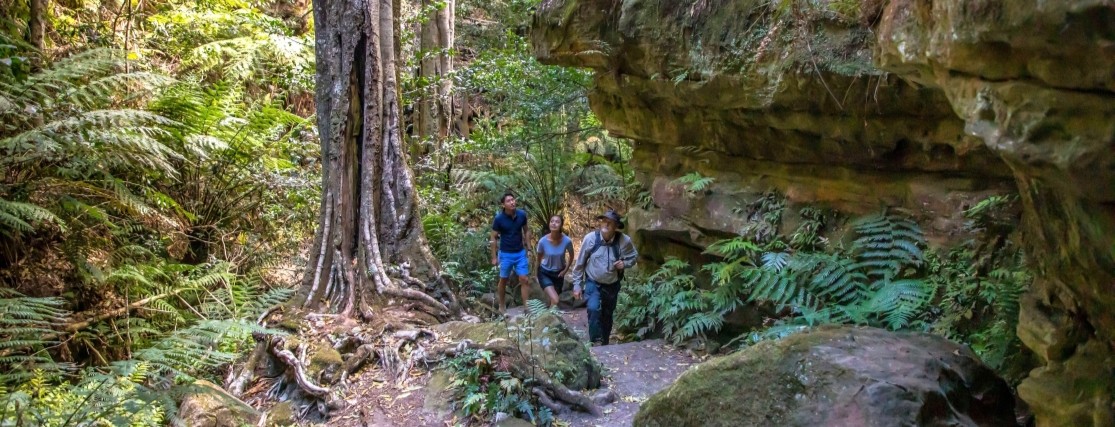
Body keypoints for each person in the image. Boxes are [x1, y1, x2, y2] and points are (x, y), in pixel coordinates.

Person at [570, 209, 638, 346]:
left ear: (616, 226)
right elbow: (580, 263)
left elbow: (634, 257)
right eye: (604, 221)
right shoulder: (590, 239)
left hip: (612, 284)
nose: (606, 224)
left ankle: (605, 343)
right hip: (593, 281)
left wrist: (624, 264)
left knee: (607, 314)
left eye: (610, 222)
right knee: (593, 308)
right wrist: (577, 284)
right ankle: (595, 341)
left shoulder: (624, 241)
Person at [490, 192, 532, 312]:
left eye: (513, 200)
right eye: (508, 201)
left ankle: (526, 307)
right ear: (503, 205)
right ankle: (502, 305)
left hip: (520, 253)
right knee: (503, 280)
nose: (512, 202)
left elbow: (526, 231)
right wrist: (494, 257)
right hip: (505, 254)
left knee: (524, 279)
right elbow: (493, 237)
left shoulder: (521, 215)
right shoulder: (499, 219)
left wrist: (529, 248)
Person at [535, 215, 574, 308]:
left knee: (553, 303)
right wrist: (536, 275)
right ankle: (549, 315)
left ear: (561, 225)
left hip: (559, 275)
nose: (554, 223)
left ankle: (549, 316)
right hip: (545, 273)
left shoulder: (567, 241)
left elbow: (571, 256)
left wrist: (565, 271)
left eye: (557, 222)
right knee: (556, 299)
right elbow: (538, 259)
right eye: (552, 221)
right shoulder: (542, 241)